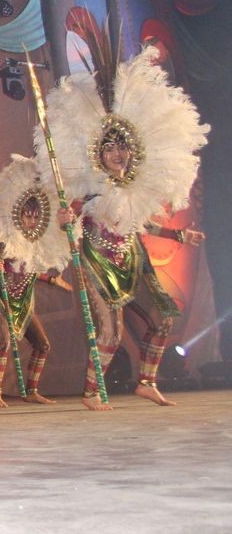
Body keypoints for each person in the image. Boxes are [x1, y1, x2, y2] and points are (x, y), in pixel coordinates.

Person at [36, 42, 207, 411]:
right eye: (111, 147)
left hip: (133, 259)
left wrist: (180, 235)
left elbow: (141, 224)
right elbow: (71, 213)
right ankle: (90, 392)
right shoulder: (92, 185)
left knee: (164, 319)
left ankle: (146, 382)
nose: (117, 153)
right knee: (110, 333)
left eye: (122, 147)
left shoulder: (134, 186)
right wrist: (67, 218)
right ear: (100, 153)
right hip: (98, 262)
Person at [0, 154, 72, 408]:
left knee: (43, 345)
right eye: (26, 216)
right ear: (18, 215)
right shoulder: (6, 240)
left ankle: (31, 390)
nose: (30, 221)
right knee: (5, 342)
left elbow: (33, 273)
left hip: (24, 298)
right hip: (2, 296)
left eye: (34, 217)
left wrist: (55, 281)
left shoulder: (37, 244)